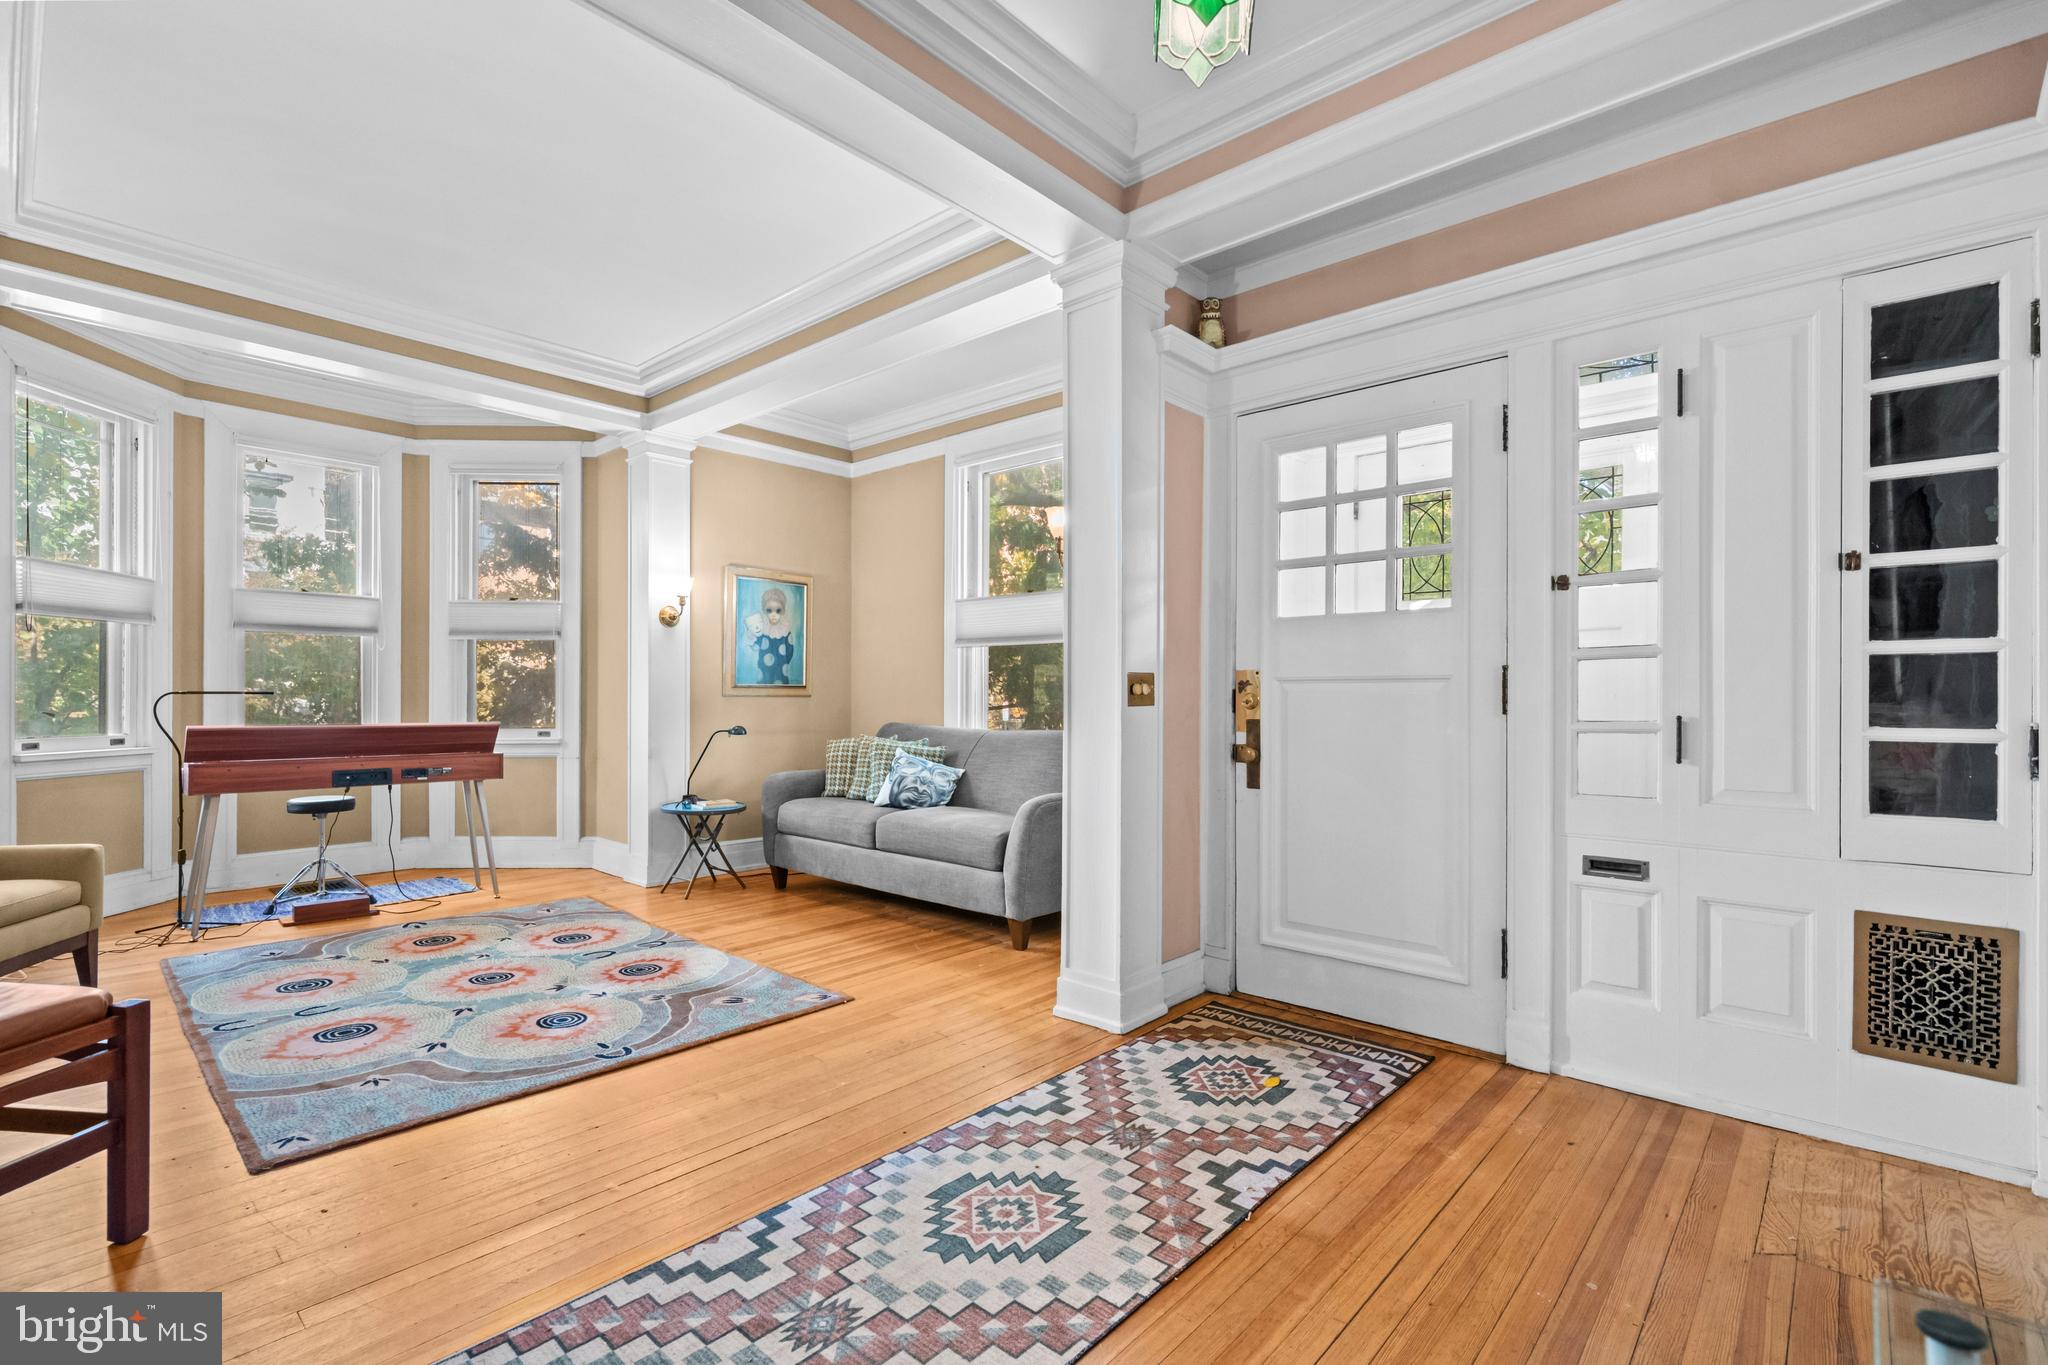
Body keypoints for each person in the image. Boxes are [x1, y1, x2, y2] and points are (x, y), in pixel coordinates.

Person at [745, 585, 799, 685]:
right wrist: (751, 636)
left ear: (783, 611)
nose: (774, 615)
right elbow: (755, 646)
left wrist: (782, 662)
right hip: (764, 671)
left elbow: (790, 652)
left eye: (778, 611)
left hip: (781, 670)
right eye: (769, 610)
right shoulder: (763, 629)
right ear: (764, 610)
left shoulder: (785, 631)